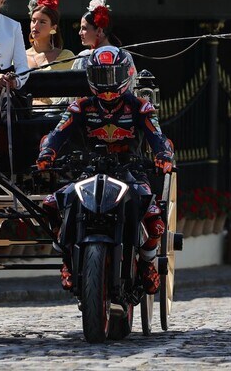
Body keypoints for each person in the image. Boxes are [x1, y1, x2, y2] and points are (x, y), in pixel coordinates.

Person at [36, 46, 174, 294]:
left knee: (154, 219)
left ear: (126, 74)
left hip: (131, 173)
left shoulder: (141, 107)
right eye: (101, 77)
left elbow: (158, 137)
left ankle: (146, 263)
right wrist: (47, 153)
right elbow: (56, 135)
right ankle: (67, 259)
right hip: (87, 173)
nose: (107, 85)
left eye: (112, 76)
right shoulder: (79, 107)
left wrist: (163, 155)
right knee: (50, 205)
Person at [25, 0, 75, 106]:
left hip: (56, 116)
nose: (35, 26)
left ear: (53, 28)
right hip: (24, 115)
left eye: (42, 22)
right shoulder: (19, 56)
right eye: (33, 21)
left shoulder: (66, 56)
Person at [71, 0, 117, 70]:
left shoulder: (84, 56)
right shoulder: (124, 55)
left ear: (99, 31)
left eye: (84, 28)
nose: (80, 33)